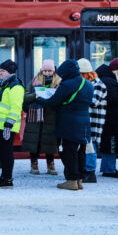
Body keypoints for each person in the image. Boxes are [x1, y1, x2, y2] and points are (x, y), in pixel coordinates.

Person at [31, 59, 93, 190]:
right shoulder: (88, 84)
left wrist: (39, 98)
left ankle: (71, 180)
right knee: (81, 151)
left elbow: (53, 102)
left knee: (69, 152)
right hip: (84, 122)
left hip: (69, 123)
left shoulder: (67, 84)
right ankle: (79, 180)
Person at [0, 60, 24, 188]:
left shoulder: (15, 86)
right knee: (2, 151)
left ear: (9, 72)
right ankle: (3, 176)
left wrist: (9, 123)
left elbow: (16, 107)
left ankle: (7, 179)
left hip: (7, 126)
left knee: (7, 152)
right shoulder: (1, 84)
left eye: (2, 71)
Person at [22, 60, 60, 176]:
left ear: (54, 71)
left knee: (50, 141)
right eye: (45, 71)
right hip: (35, 117)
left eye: (50, 71)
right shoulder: (33, 81)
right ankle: (34, 164)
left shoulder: (59, 81)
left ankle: (51, 164)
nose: (47, 73)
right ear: (41, 70)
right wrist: (36, 95)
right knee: (35, 141)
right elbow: (25, 97)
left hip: (51, 116)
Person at [81, 58, 106, 184]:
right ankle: (86, 170)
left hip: (94, 122)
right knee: (87, 146)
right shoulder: (88, 84)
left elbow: (93, 103)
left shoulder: (98, 85)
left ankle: (90, 172)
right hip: (86, 120)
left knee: (92, 147)